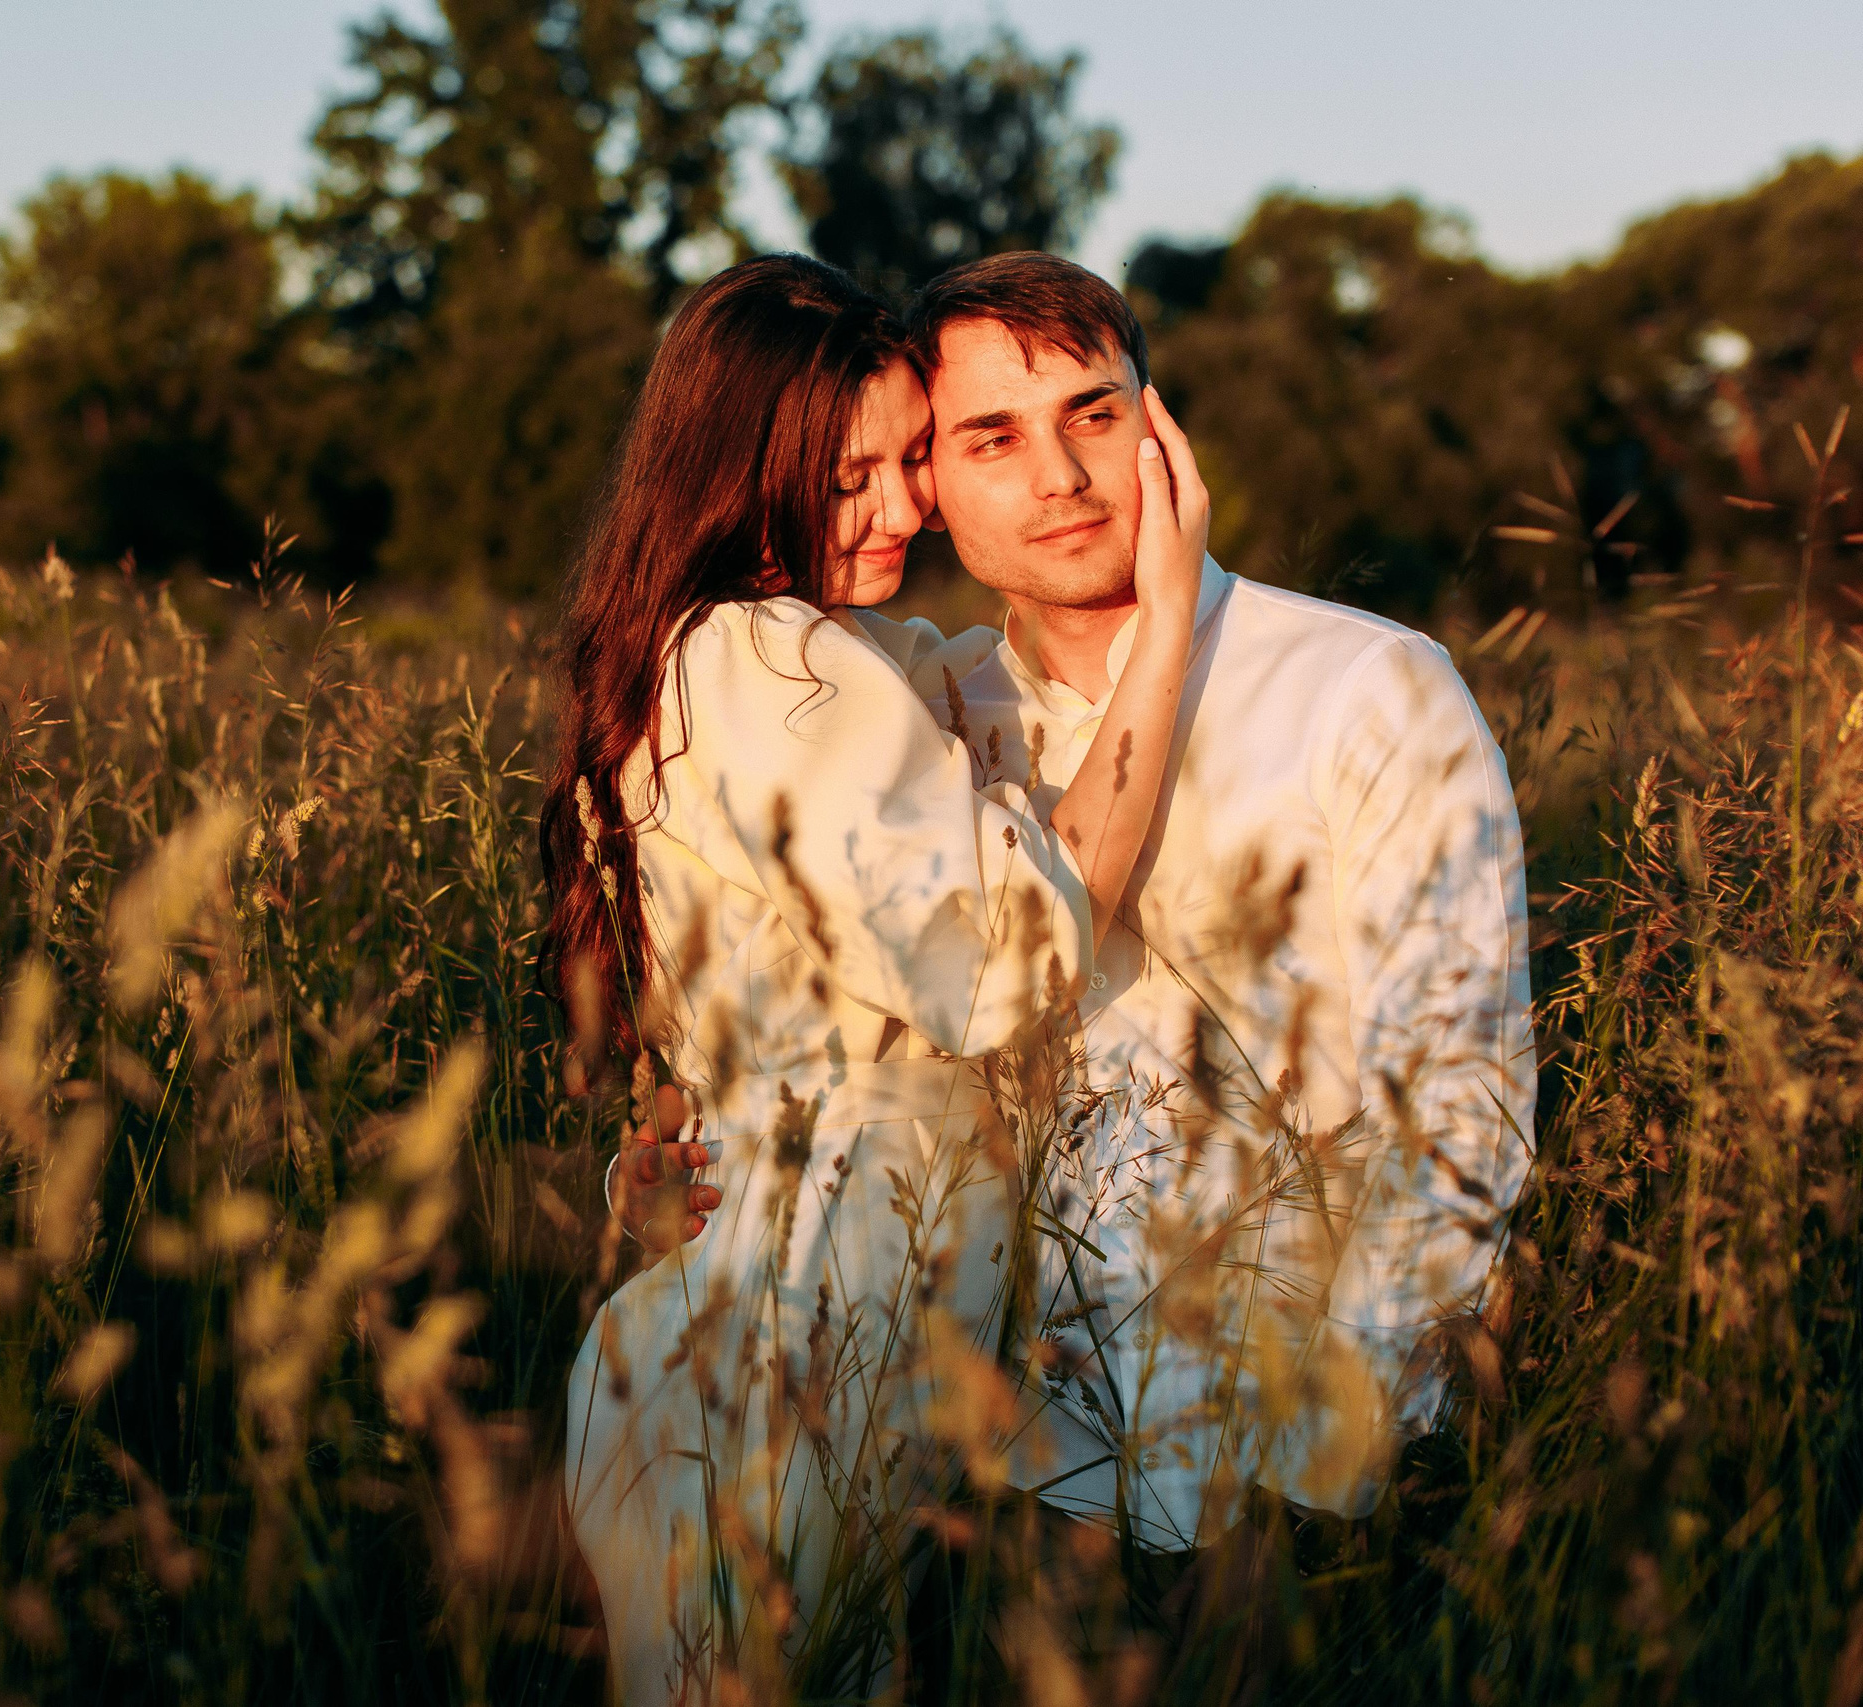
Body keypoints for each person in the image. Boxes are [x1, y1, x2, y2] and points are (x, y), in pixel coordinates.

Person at [622, 251, 1537, 1561]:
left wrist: (1341, 1466)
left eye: (1094, 416)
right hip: (974, 1468)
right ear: (926, 481)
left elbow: (1459, 1104)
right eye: (991, 437)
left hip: (1266, 1472)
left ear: (1158, 425)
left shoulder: (1366, 689)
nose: (1059, 476)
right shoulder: (933, 719)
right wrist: (682, 1165)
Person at [544, 253, 1209, 1703]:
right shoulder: (776, 664)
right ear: (737, 476)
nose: (905, 508)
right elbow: (1004, 966)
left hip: (774, 1305)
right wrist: (1165, 626)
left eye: (913, 459)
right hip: (802, 1324)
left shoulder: (774, 651)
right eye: (850, 481)